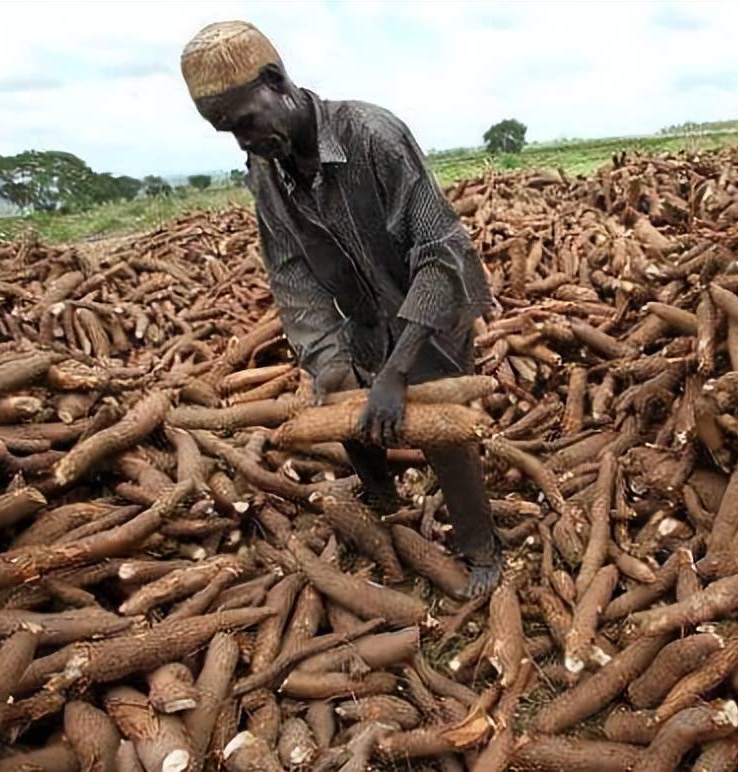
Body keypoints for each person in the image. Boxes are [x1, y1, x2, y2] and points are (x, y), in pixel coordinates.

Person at [180, 20, 501, 596]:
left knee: (441, 433)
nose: (242, 141)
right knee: (342, 404)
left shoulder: (371, 134)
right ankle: (381, 500)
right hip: (360, 318)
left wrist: (399, 370)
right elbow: (291, 270)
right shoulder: (266, 170)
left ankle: (480, 548)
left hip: (428, 306)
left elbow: (440, 253)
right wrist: (324, 359)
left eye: (245, 121)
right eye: (225, 131)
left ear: (277, 82)